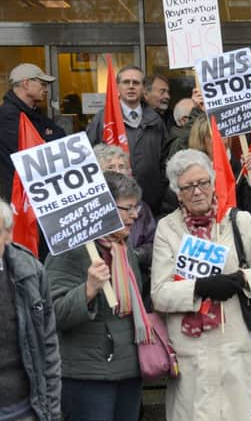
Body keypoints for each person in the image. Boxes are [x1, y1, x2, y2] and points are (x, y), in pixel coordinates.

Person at [151, 149, 251, 421]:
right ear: (177, 192)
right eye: (188, 187)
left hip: (232, 349)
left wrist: (240, 280)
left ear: (212, 183)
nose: (197, 192)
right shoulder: (167, 228)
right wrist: (199, 288)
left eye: (203, 183)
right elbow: (159, 295)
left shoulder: (239, 221)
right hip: (190, 355)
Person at [46, 172, 148, 421]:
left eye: (137, 207)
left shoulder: (124, 251)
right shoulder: (69, 250)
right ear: (104, 208)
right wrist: (88, 289)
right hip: (86, 376)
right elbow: (53, 313)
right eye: (128, 208)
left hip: (128, 370)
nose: (135, 215)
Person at [0, 198, 61, 421]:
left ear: (8, 234)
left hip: (24, 408)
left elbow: (48, 345)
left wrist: (52, 412)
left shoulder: (29, 271)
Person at [86, 65, 170, 216]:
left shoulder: (156, 121)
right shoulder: (103, 119)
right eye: (126, 82)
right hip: (113, 203)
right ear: (118, 86)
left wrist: (160, 191)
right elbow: (88, 160)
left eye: (136, 83)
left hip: (151, 204)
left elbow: (165, 160)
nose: (131, 87)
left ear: (144, 88)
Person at [93, 143, 157, 310]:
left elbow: (154, 243)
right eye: (110, 167)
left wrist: (134, 255)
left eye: (121, 166)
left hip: (137, 283)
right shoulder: (90, 212)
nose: (117, 171)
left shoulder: (141, 208)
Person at [0, 63, 65, 203]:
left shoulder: (33, 111)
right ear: (26, 83)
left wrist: (45, 138)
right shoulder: (7, 116)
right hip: (21, 196)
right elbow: (31, 153)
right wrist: (46, 138)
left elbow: (60, 136)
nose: (46, 89)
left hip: (37, 191)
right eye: (42, 84)